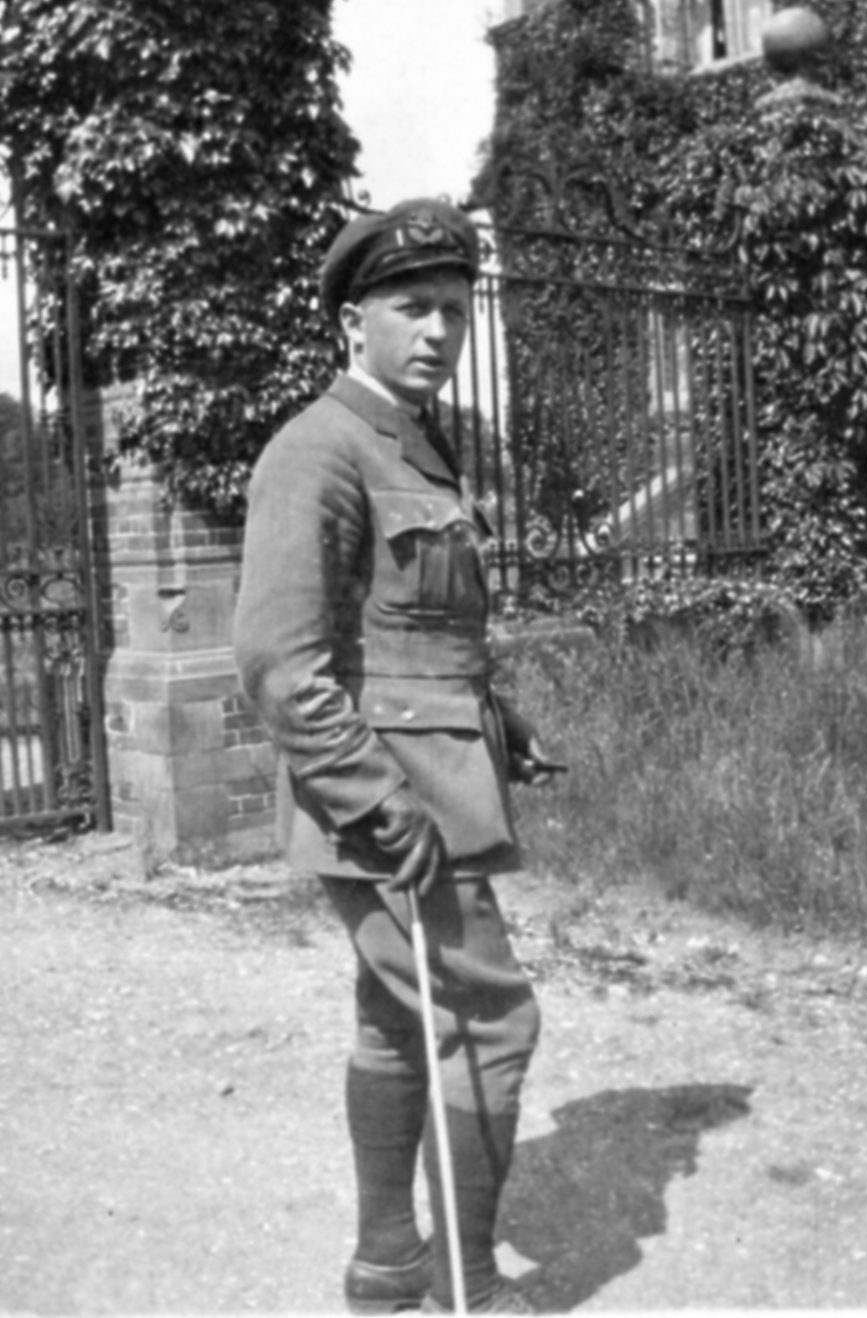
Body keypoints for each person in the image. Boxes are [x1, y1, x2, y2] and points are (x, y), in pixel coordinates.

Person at [233, 198, 561, 1314]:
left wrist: (495, 713)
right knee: (488, 1020)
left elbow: (410, 629)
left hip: (441, 784)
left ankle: (386, 1270)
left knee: (398, 1016)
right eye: (411, 308)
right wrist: (378, 806)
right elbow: (281, 661)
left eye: (455, 313)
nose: (437, 333)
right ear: (351, 325)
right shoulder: (318, 449)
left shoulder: (413, 446)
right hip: (388, 805)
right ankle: (468, 1292)